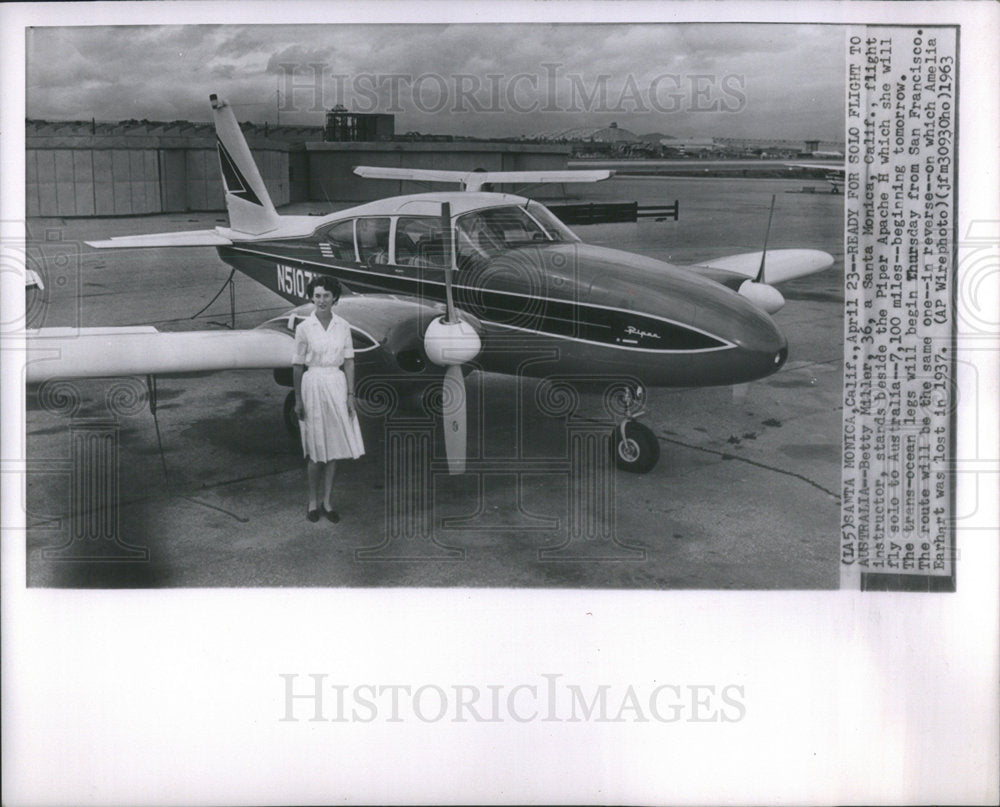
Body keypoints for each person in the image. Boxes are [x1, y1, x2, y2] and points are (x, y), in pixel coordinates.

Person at [292, 277, 365, 523]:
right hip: (312, 385)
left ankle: (328, 502)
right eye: (317, 295)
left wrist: (350, 396)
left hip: (337, 384)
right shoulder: (304, 328)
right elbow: (297, 365)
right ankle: (313, 502)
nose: (321, 300)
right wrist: (298, 399)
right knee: (315, 451)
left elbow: (349, 362)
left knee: (334, 449)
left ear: (334, 297)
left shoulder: (343, 326)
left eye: (326, 295)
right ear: (311, 298)